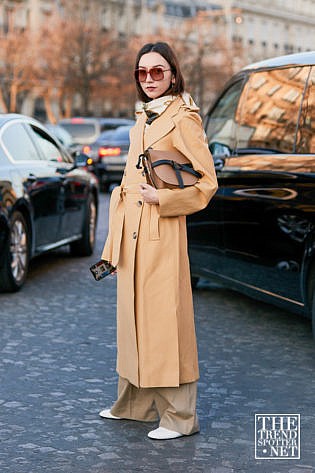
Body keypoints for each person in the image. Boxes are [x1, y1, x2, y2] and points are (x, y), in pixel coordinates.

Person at [99, 42, 218, 440]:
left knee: (166, 321)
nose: (149, 79)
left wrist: (163, 199)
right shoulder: (143, 117)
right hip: (131, 232)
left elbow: (207, 182)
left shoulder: (183, 118)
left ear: (173, 74)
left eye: (157, 72)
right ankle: (134, 405)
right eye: (142, 72)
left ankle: (179, 417)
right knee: (133, 319)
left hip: (161, 230)